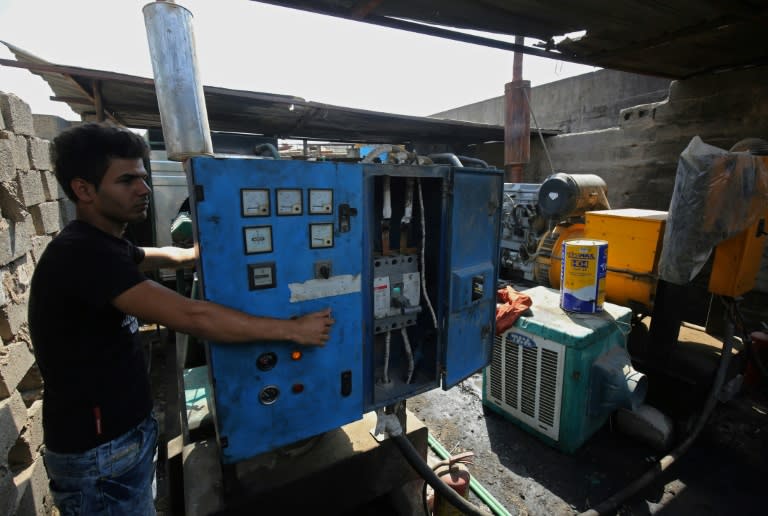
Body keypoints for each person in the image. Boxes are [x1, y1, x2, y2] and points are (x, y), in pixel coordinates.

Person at [28, 122, 334, 515]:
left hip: (121, 439)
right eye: (126, 181)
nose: (144, 189)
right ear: (83, 189)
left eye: (142, 177)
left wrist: (200, 252)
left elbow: (154, 255)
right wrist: (295, 330)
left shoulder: (105, 244)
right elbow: (194, 316)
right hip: (100, 455)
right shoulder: (83, 255)